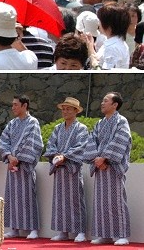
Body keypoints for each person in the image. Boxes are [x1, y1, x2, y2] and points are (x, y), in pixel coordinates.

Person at [84, 92, 131, 246]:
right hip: (100, 168)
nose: (102, 103)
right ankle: (105, 234)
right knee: (101, 202)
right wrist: (98, 160)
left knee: (116, 201)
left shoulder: (121, 121)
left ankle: (122, 234)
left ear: (115, 105)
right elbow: (91, 142)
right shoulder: (100, 123)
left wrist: (104, 158)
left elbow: (120, 140)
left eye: (106, 101)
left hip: (114, 167)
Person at [44, 97, 88, 242]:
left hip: (72, 169)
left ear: (76, 111)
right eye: (63, 109)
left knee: (75, 200)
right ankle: (63, 231)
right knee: (60, 201)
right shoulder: (57, 128)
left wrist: (65, 156)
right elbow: (51, 145)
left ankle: (80, 231)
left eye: (68, 109)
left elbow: (81, 146)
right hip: (59, 169)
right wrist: (56, 156)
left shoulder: (81, 128)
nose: (65, 111)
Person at [0, 95, 43, 239]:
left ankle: (33, 229)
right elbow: (4, 140)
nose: (13, 108)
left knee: (28, 197)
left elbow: (33, 143)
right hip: (12, 166)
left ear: (24, 106)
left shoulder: (33, 122)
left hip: (25, 166)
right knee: (12, 197)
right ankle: (14, 228)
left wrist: (17, 157)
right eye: (12, 105)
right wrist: (9, 157)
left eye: (16, 105)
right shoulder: (12, 123)